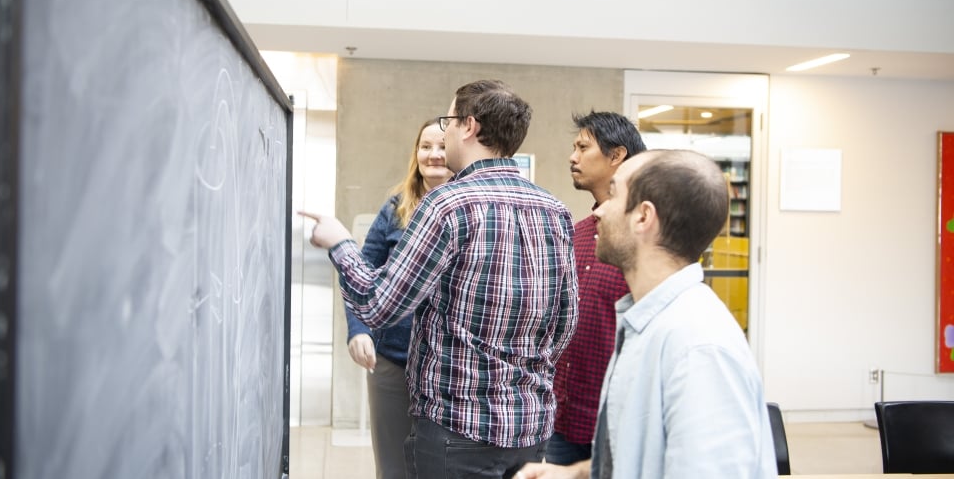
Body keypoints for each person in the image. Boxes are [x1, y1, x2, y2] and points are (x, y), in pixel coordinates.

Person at [301, 79, 578, 478]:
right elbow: (564, 324)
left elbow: (378, 305)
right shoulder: (554, 209)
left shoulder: (447, 204)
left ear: (468, 126)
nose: (442, 133)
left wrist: (340, 242)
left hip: (455, 432)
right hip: (529, 432)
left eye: (447, 121)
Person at [517, 149, 777, 479]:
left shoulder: (698, 347)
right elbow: (643, 458)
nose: (600, 211)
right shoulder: (649, 321)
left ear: (643, 217)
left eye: (612, 194)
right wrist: (578, 474)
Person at [345, 119, 452, 479]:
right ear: (415, 153)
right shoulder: (395, 209)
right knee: (392, 468)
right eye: (425, 146)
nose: (434, 154)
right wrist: (359, 330)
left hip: (449, 367)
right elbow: (361, 274)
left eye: (441, 146)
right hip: (393, 359)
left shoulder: (470, 209)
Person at [546, 112, 646, 465]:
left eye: (583, 147)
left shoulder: (645, 239)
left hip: (618, 421)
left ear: (616, 156)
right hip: (563, 419)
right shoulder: (578, 233)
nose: (573, 157)